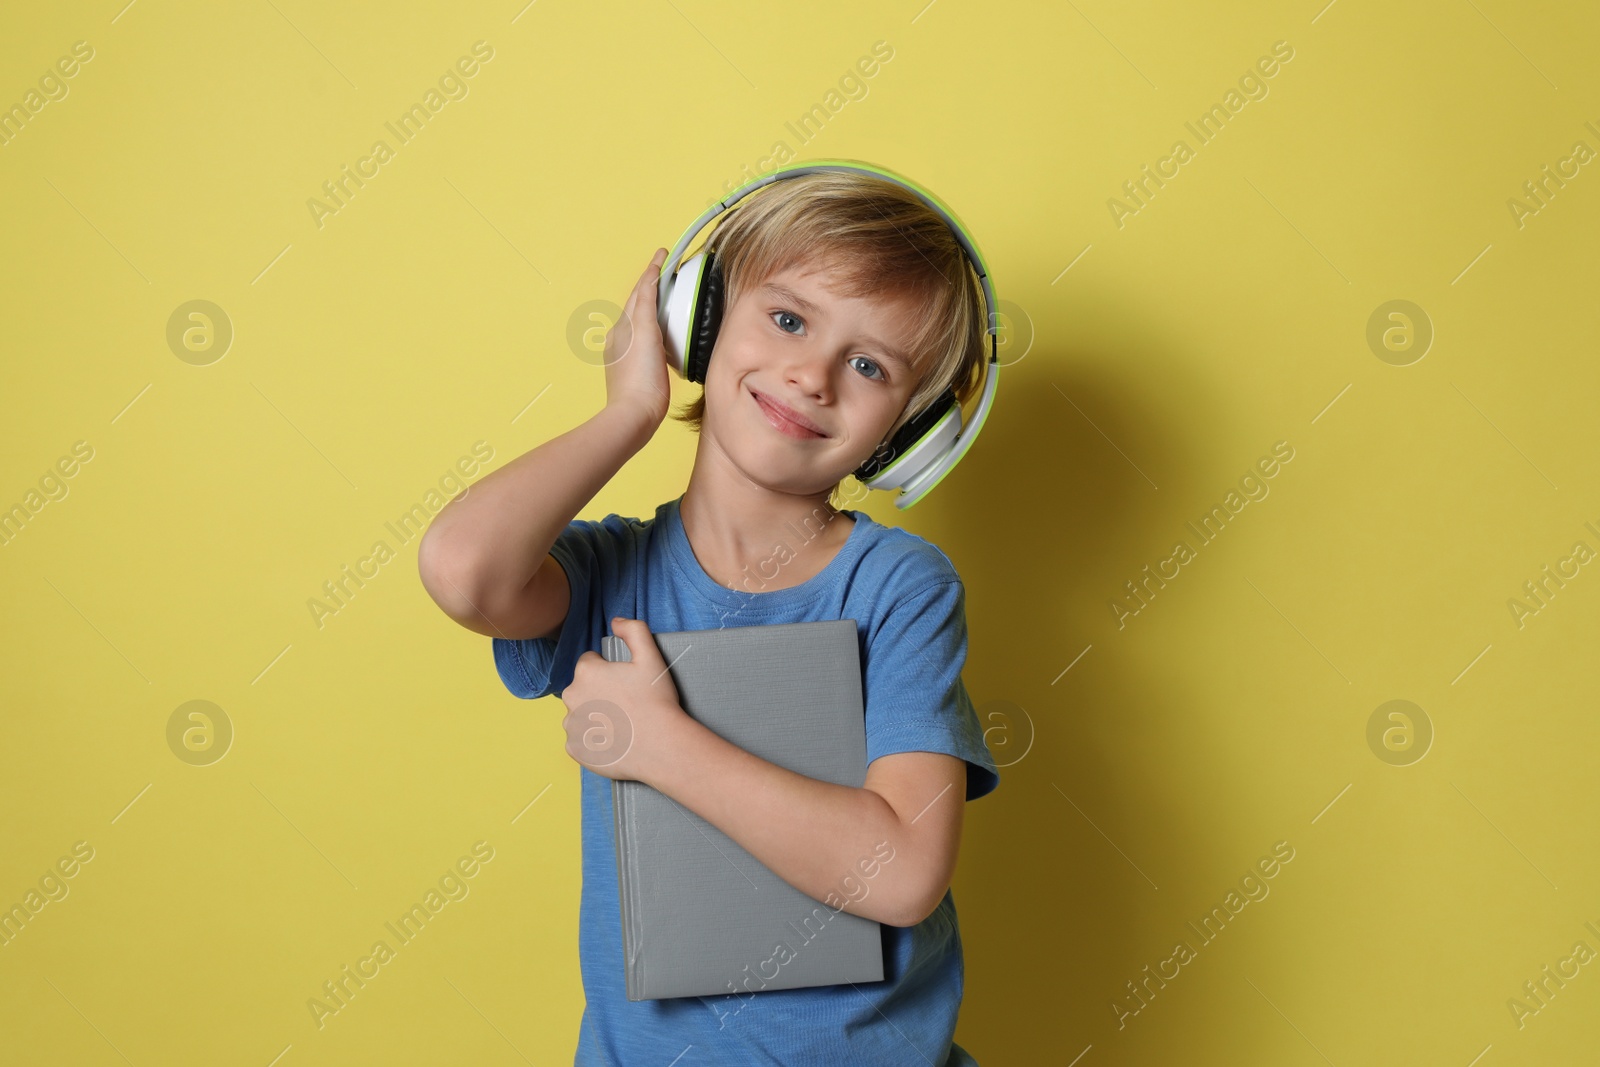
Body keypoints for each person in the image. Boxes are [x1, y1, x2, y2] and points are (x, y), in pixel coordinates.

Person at [417, 167, 1000, 1065]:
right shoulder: (608, 572)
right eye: (789, 318)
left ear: (909, 430)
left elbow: (906, 871)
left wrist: (657, 743)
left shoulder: (899, 586)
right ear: (699, 319)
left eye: (870, 364)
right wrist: (629, 412)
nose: (811, 375)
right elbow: (463, 571)